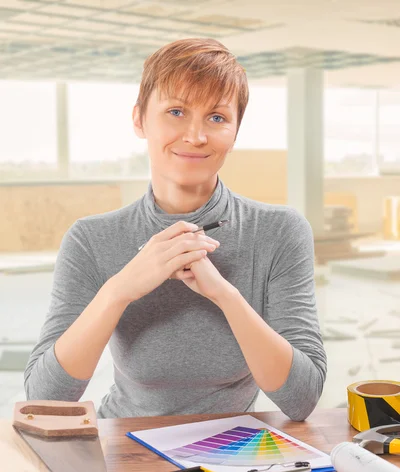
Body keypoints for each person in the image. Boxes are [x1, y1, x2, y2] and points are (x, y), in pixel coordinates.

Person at [24, 38, 327, 421]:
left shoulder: (279, 232)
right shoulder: (90, 240)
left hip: (229, 450)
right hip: (123, 443)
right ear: (139, 120)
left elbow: (302, 400)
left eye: (217, 117)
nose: (196, 136)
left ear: (235, 133)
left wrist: (225, 295)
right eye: (176, 111)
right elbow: (45, 399)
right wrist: (119, 290)